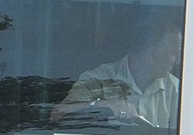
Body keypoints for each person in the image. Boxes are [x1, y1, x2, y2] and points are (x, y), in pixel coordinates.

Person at [53, 13, 183, 128]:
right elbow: (58, 115)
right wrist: (103, 106)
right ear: (151, 50)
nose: (178, 62)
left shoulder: (178, 90)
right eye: (173, 53)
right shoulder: (98, 80)